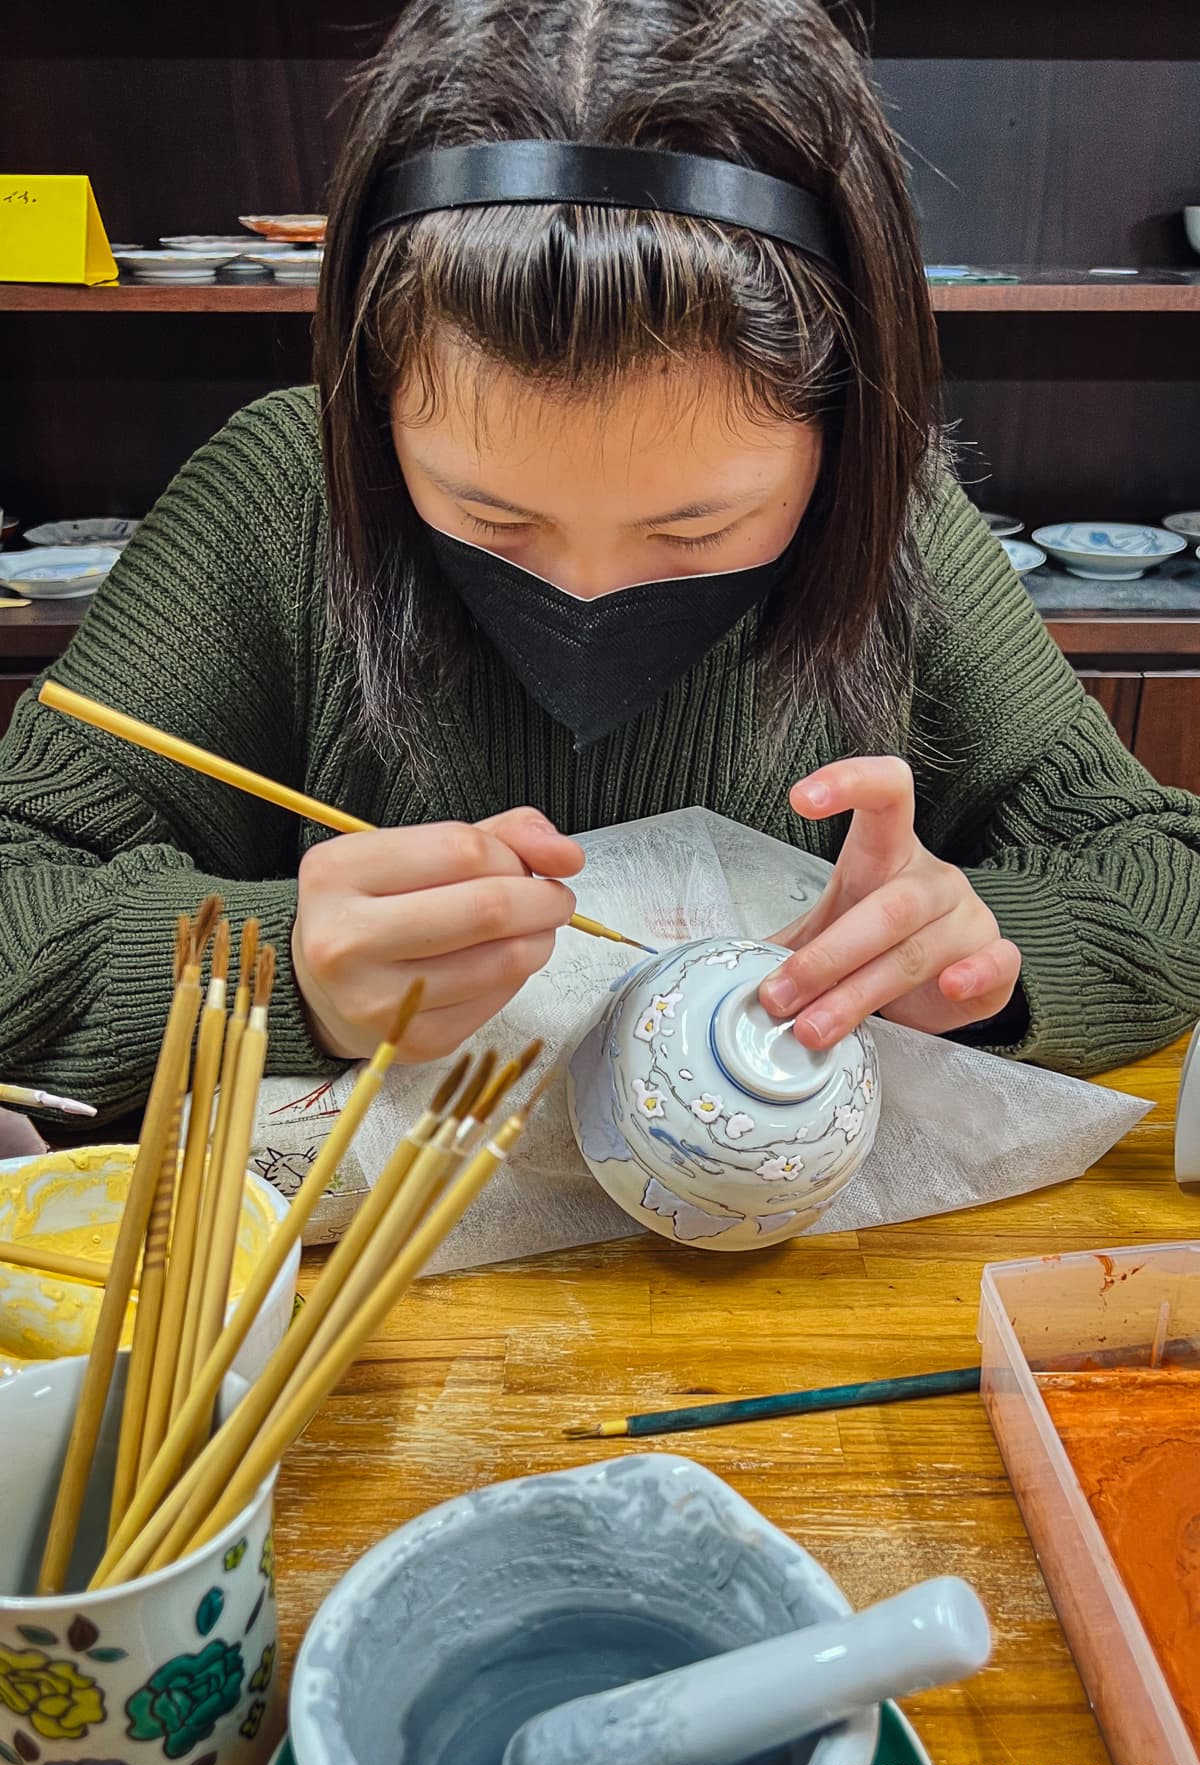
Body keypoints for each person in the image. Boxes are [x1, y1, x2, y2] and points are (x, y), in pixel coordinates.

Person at [1, 0, 1197, 1121]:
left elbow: (1165, 873)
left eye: (694, 533)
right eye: (489, 520)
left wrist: (986, 958)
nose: (585, 595)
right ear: (375, 409)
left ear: (842, 433)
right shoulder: (283, 501)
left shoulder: (891, 532)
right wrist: (277, 980)